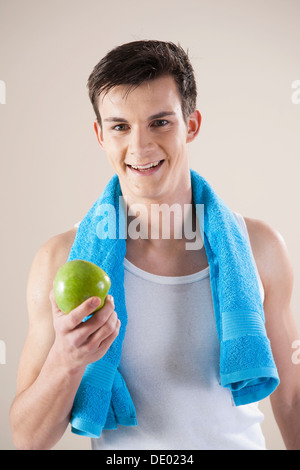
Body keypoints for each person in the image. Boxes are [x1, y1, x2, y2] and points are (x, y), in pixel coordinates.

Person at [10, 40, 300, 450]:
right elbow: (26, 439)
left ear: (192, 124)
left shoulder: (261, 247)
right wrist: (66, 359)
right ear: (100, 135)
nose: (140, 147)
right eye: (120, 126)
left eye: (160, 122)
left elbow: (290, 399)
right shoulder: (59, 259)